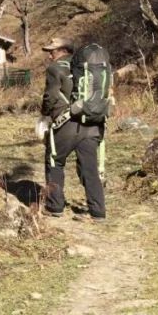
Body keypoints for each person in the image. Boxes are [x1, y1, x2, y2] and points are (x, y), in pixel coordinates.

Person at [40, 37, 106, 222]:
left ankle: (55, 206)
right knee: (90, 168)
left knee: (54, 161)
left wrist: (44, 115)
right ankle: (98, 212)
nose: (50, 54)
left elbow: (50, 97)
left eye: (52, 51)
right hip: (92, 124)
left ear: (62, 50)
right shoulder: (88, 66)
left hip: (66, 125)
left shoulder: (55, 69)